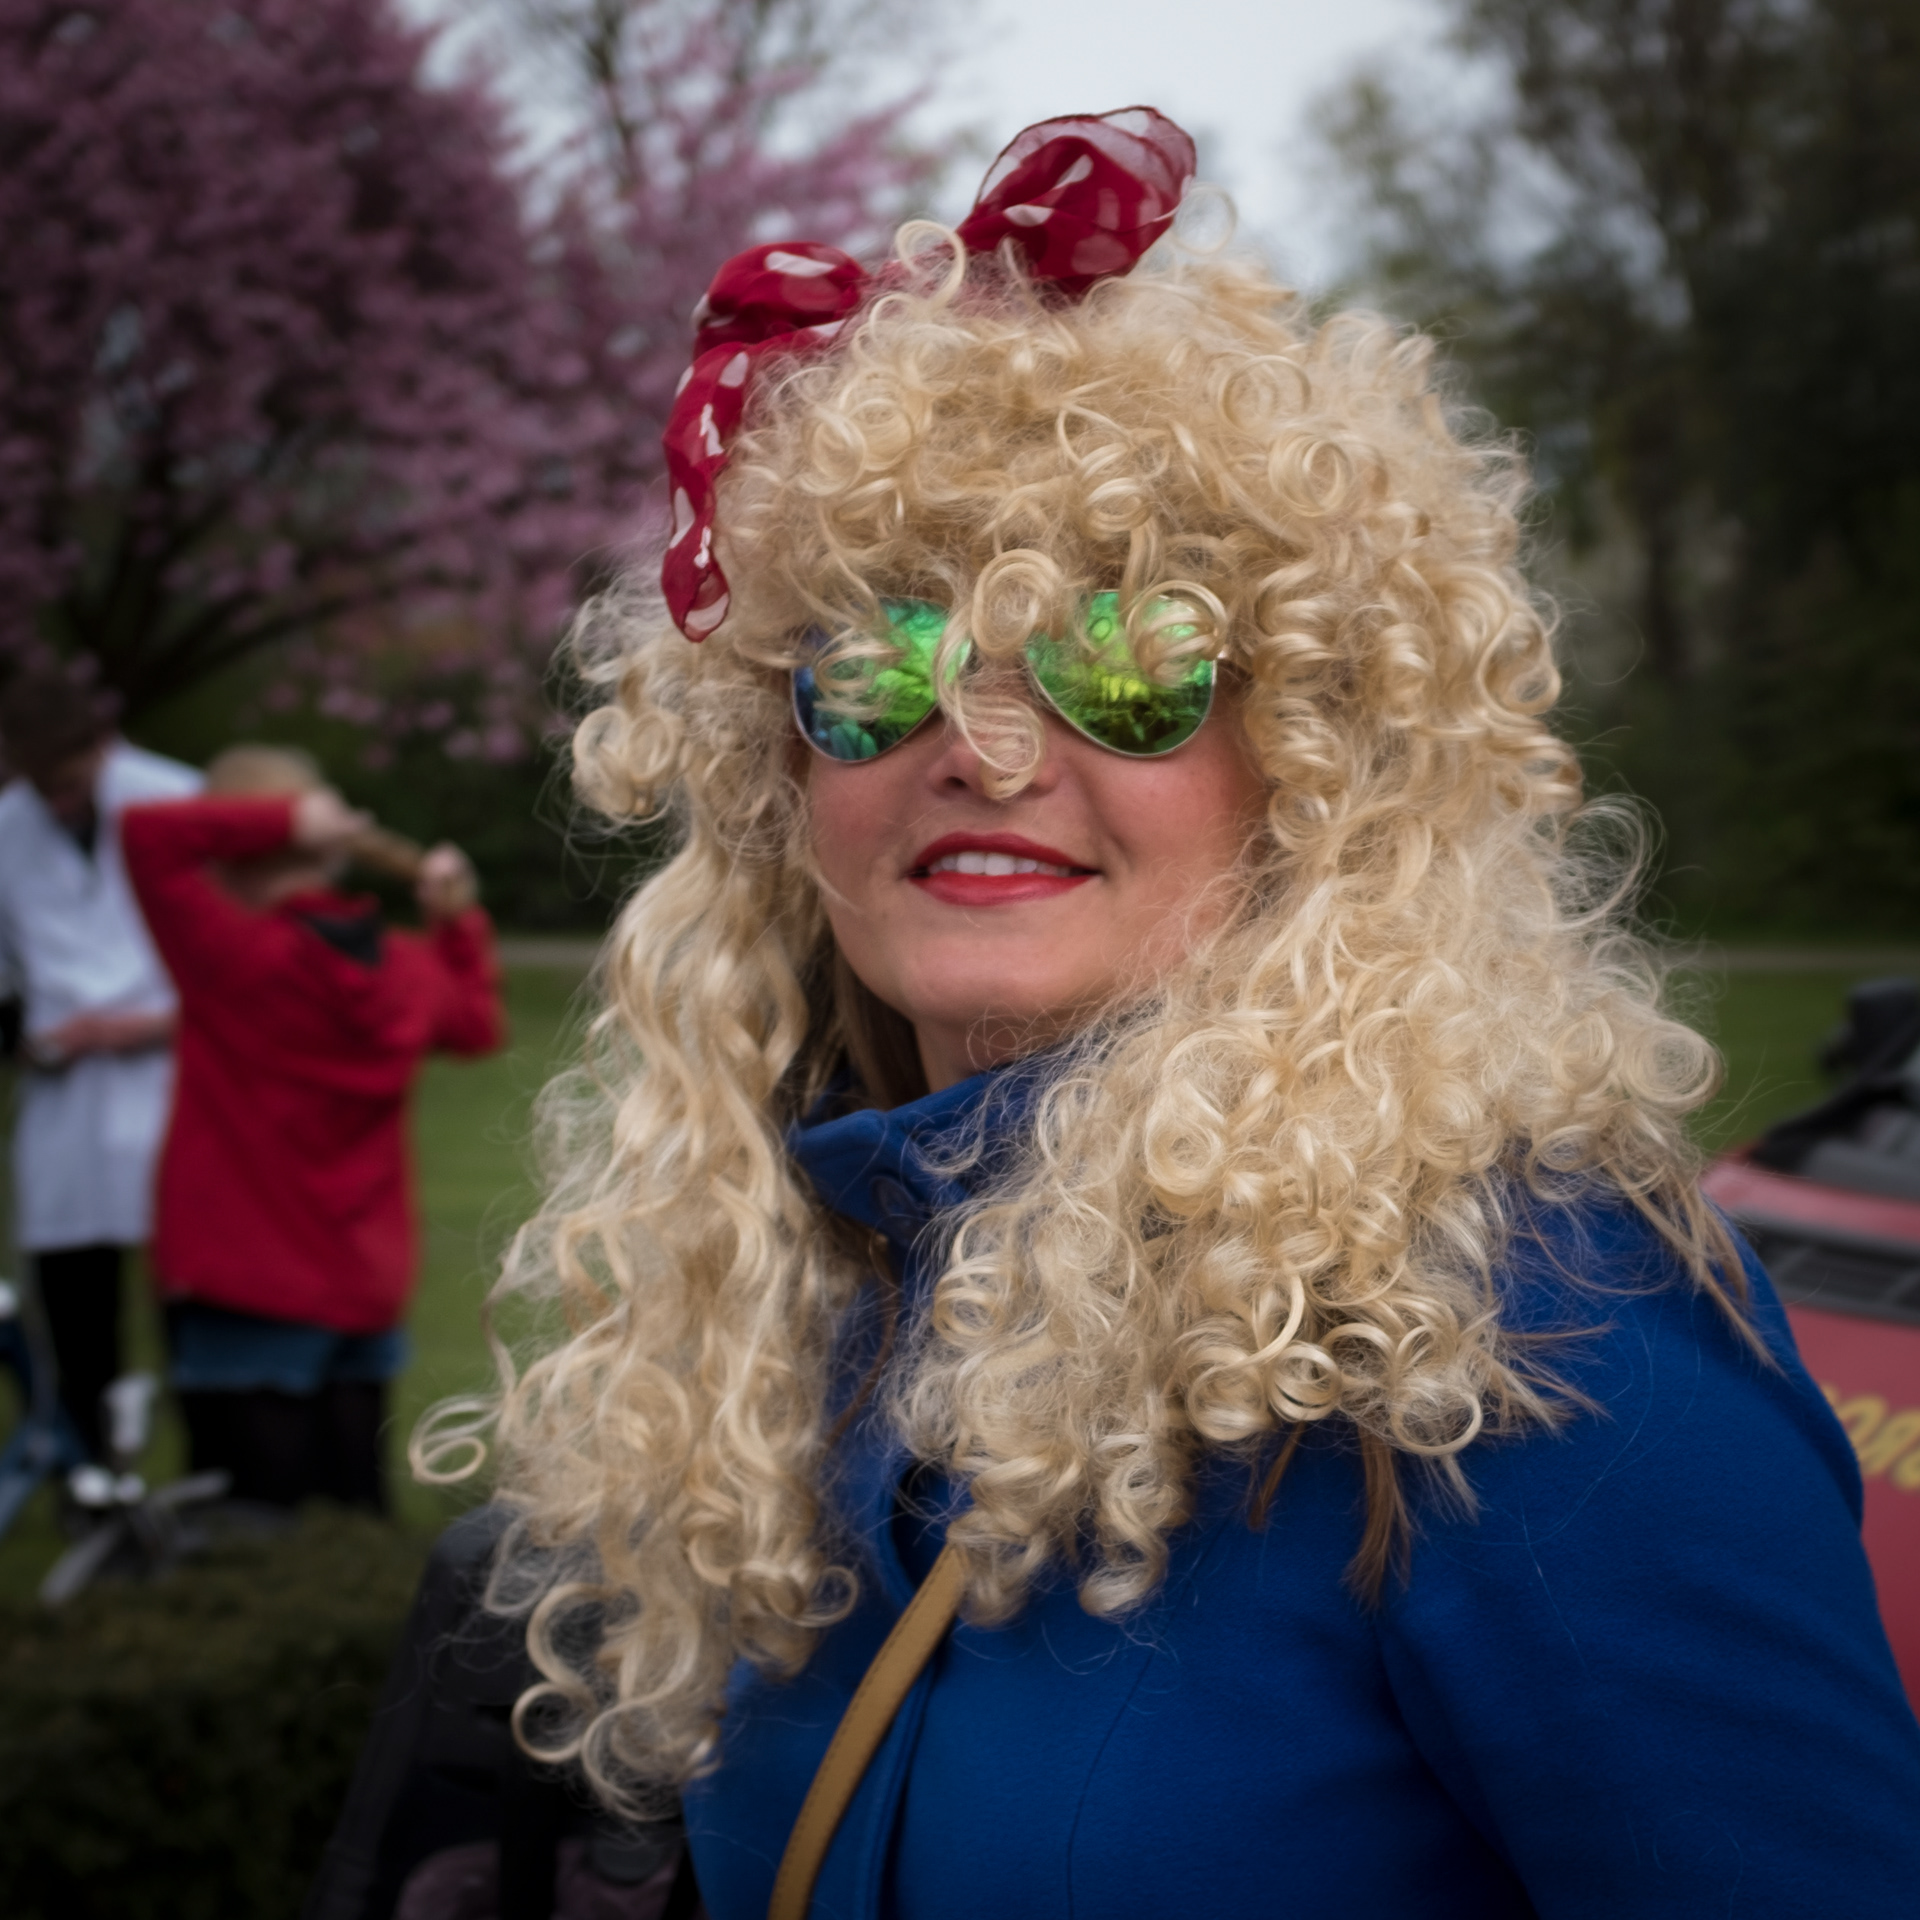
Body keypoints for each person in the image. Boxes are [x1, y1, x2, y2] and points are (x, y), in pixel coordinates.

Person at [437, 111, 1920, 1915]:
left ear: (1313, 769)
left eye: (1127, 663)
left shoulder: (1542, 1335)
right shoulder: (804, 1301)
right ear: (781, 774)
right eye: (880, 664)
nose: (983, 750)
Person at [122, 745, 505, 1511]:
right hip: (364, 1272)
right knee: (351, 1514)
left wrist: (286, 820)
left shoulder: (231, 955)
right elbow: (476, 1024)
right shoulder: (404, 967)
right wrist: (454, 921)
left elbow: (145, 834)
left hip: (242, 1272)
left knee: (249, 1523)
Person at [0, 669, 200, 1461]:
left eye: (71, 784)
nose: (58, 804)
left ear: (102, 746)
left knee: (193, 1285)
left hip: (176, 1067)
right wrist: (29, 1039)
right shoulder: (6, 828)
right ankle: (90, 1462)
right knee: (74, 1287)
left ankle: (216, 1459)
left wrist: (154, 1023)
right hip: (63, 1087)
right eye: (40, 787)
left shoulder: (177, 798)